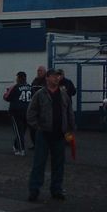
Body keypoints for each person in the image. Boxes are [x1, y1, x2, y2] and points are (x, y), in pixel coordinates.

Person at [27, 68, 75, 202]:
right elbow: (31, 113)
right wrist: (37, 127)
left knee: (59, 164)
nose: (56, 78)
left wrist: (70, 128)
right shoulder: (40, 94)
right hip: (44, 134)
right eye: (54, 76)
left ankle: (57, 189)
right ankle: (34, 190)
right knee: (39, 164)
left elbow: (69, 111)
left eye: (58, 76)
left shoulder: (63, 94)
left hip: (59, 134)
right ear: (47, 78)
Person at [6, 71, 32, 155]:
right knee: (22, 131)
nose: (16, 79)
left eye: (17, 77)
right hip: (27, 112)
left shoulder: (16, 87)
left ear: (19, 78)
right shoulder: (30, 87)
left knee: (18, 131)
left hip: (16, 112)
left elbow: (7, 98)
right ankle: (16, 146)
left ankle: (21, 149)